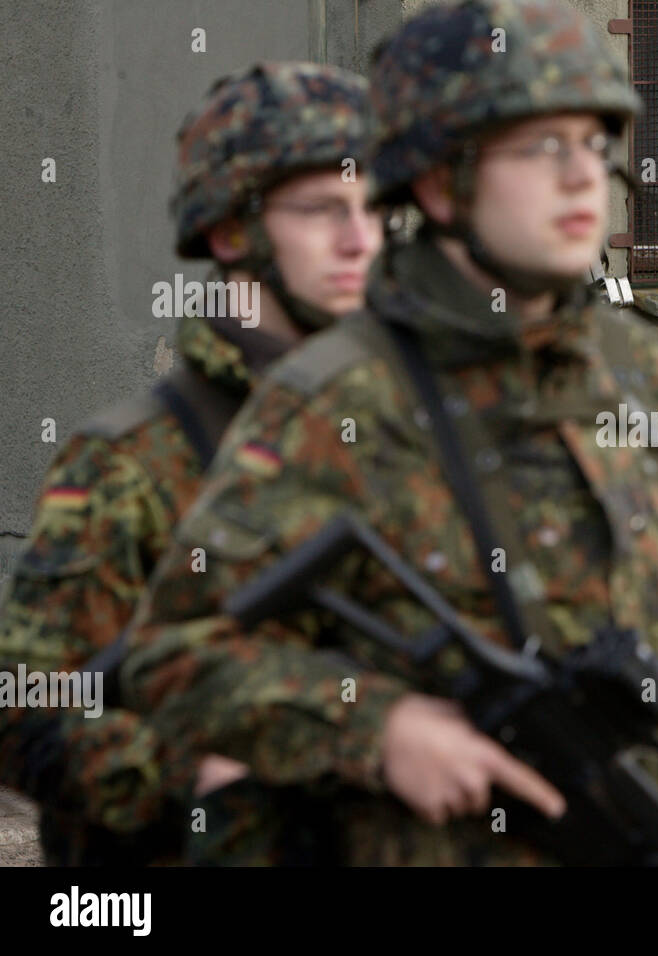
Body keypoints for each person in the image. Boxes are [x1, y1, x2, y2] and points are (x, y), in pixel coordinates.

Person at [121, 0, 658, 865]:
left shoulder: (631, 375)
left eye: (594, 142)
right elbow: (174, 660)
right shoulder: (341, 398)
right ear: (440, 182)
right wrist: (379, 728)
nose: (584, 175)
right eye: (542, 147)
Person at [0, 61, 384, 865]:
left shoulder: (401, 436)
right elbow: (28, 710)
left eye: (373, 208)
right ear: (230, 231)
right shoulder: (132, 462)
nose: (360, 240)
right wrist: (203, 779)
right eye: (322, 211)